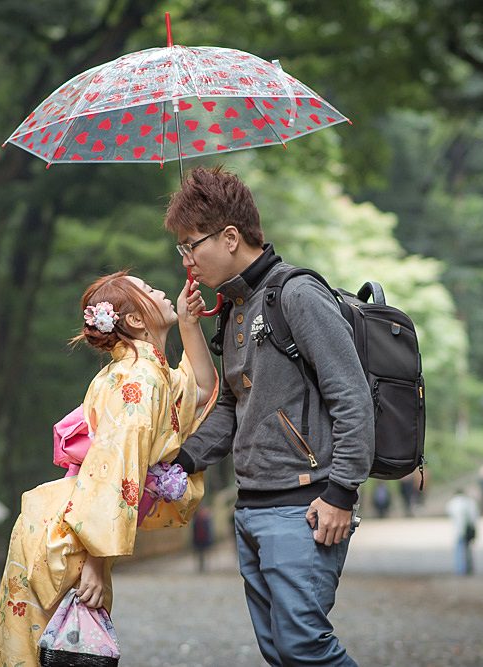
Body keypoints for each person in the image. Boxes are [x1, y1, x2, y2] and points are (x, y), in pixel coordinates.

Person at [165, 166, 374, 667]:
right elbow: (235, 406)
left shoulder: (296, 295)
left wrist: (341, 492)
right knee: (279, 652)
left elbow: (353, 398)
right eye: (183, 249)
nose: (188, 261)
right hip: (252, 509)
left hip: (304, 507)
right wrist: (181, 460)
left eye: (192, 245)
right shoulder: (237, 310)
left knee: (304, 646)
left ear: (231, 236)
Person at [0, 270, 218, 666]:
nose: (159, 291)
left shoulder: (144, 372)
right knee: (61, 649)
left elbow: (202, 390)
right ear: (136, 321)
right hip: (74, 536)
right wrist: (96, 560)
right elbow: (112, 471)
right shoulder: (137, 380)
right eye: (148, 290)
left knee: (45, 647)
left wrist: (189, 322)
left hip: (67, 523)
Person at [445, 488, 479, 576]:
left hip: (458, 530)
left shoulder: (452, 503)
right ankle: (469, 567)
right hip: (468, 529)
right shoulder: (469, 502)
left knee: (459, 550)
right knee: (468, 550)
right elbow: (474, 516)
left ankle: (460, 569)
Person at [191, 505, 214, 573]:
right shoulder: (196, 520)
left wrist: (210, 539)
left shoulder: (206, 520)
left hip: (205, 539)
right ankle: (201, 566)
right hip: (198, 539)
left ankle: (206, 566)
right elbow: (193, 531)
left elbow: (210, 530)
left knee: (206, 553)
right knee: (200, 553)